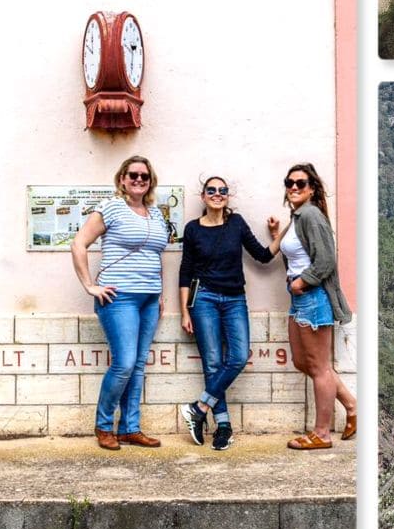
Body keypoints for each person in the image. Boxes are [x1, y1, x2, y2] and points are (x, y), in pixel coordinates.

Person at [71, 155, 170, 450]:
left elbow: (155, 256)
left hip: (149, 299)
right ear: (122, 179)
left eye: (144, 176)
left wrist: (159, 293)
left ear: (150, 181)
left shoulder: (155, 214)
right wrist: (90, 285)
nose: (139, 180)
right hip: (119, 298)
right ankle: (103, 426)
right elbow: (79, 244)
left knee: (138, 365)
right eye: (133, 175)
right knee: (124, 363)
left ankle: (129, 428)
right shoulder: (112, 207)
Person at [178, 175, 275, 450]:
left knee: (238, 356)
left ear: (228, 197)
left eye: (222, 191)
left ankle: (198, 408)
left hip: (234, 299)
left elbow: (263, 256)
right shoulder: (193, 229)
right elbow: (185, 272)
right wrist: (185, 310)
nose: (217, 194)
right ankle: (223, 426)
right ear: (203, 196)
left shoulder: (236, 223)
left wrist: (279, 236)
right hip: (204, 299)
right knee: (211, 363)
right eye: (212, 190)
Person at [268, 163, 356, 450]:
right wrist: (276, 236)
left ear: (312, 188)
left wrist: (302, 283)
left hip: (313, 297)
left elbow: (326, 260)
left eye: (300, 183)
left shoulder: (311, 215)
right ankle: (352, 405)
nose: (293, 187)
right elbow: (297, 253)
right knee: (302, 362)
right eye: (289, 182)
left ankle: (322, 434)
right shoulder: (297, 216)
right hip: (300, 297)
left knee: (319, 368)